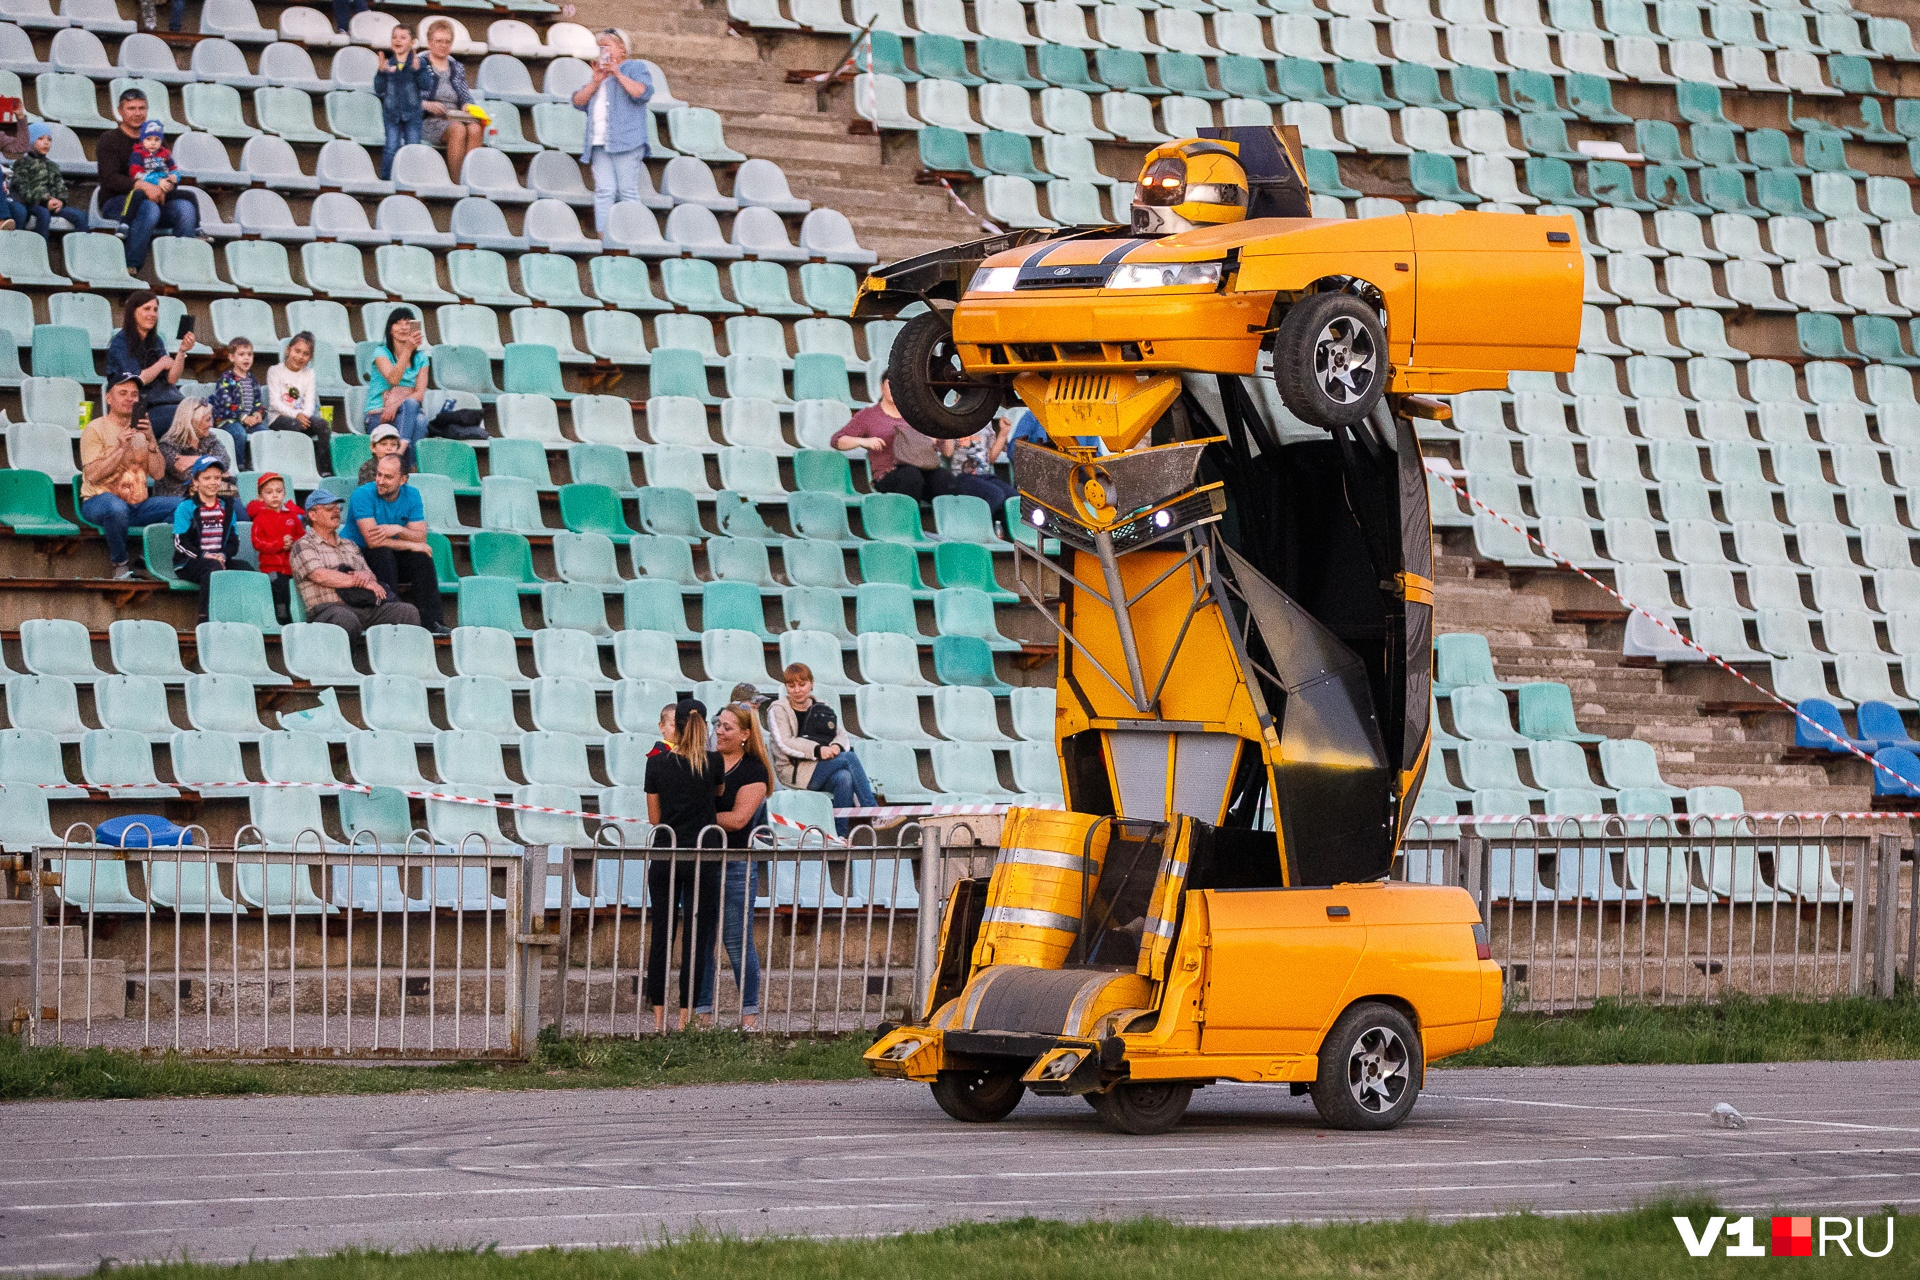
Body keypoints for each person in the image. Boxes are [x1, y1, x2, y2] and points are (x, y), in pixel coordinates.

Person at [643, 699, 724, 1033]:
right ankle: (684, 1018)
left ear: (673, 726)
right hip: (702, 856)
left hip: (667, 854)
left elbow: (654, 817)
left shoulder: (657, 764)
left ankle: (658, 1019)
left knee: (662, 933)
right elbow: (717, 795)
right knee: (696, 937)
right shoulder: (714, 762)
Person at [697, 702, 769, 1029]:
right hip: (703, 860)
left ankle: (750, 1016)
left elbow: (739, 819)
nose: (720, 731)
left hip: (736, 862)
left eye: (727, 727)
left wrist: (696, 818)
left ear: (745, 734)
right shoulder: (705, 763)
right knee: (702, 939)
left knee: (737, 941)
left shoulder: (755, 770)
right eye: (718, 725)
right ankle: (702, 1014)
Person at [288, 485, 421, 638]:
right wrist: (359, 580)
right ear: (313, 515)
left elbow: (370, 577)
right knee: (345, 619)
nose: (336, 511)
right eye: (329, 508)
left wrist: (365, 578)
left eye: (337, 508)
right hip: (328, 610)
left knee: (406, 612)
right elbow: (320, 575)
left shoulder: (349, 544)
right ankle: (344, 662)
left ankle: (397, 662)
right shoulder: (303, 545)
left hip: (362, 605)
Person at [79, 373, 177, 579]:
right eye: (122, 393)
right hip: (98, 501)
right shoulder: (94, 428)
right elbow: (93, 476)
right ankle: (120, 564)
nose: (130, 398)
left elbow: (158, 473)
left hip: (136, 505)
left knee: (184, 506)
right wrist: (120, 449)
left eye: (134, 394)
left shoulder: (142, 431)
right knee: (116, 508)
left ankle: (144, 559)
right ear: (108, 398)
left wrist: (151, 440)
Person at [96, 89, 198, 272]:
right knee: (148, 209)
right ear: (120, 110)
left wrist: (165, 186)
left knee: (186, 208)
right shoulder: (109, 139)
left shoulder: (156, 140)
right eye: (131, 108)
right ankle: (130, 265)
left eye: (142, 108)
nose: (137, 113)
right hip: (119, 201)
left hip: (156, 199)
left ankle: (180, 269)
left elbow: (169, 171)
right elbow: (109, 178)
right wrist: (142, 186)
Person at [768, 662, 874, 837]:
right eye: (791, 685)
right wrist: (818, 750)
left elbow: (841, 735)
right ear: (786, 687)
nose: (797, 690)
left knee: (844, 778)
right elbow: (784, 743)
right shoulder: (778, 709)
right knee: (848, 758)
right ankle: (872, 811)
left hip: (821, 768)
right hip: (794, 771)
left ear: (811, 684)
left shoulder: (821, 706)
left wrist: (834, 746)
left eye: (802, 684)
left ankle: (839, 835)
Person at [346, 454, 447, 634]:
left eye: (388, 477)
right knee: (383, 553)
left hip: (389, 553)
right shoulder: (362, 494)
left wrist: (397, 530)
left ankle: (432, 621)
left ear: (403, 479)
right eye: (379, 474)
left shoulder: (412, 495)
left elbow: (420, 537)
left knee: (421, 557)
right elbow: (373, 541)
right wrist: (410, 544)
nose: (380, 480)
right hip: (359, 555)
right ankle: (392, 613)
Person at [572, 28, 652, 235]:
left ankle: (632, 237)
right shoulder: (599, 73)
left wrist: (617, 73)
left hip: (627, 140)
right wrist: (596, 81)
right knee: (604, 191)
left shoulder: (635, 67)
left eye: (606, 45)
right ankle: (605, 239)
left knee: (627, 191)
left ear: (622, 48)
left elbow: (642, 93)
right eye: (600, 46)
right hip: (599, 142)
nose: (601, 50)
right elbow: (578, 101)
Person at [831, 375, 955, 502]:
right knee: (910, 476)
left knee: (944, 479)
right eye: (891, 385)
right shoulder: (868, 415)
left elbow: (948, 452)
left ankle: (947, 520)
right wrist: (863, 441)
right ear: (881, 388)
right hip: (889, 475)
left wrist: (945, 432)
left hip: (924, 470)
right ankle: (905, 520)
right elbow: (837, 440)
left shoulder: (918, 415)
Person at [107, 291, 193, 436]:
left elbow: (171, 379)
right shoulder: (120, 343)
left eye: (155, 309)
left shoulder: (156, 340)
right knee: (188, 416)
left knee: (200, 411)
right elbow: (137, 380)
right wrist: (161, 364)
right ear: (133, 312)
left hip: (167, 402)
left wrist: (182, 352)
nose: (152, 314)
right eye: (147, 309)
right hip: (141, 409)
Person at [171, 456, 245, 620]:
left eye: (217, 478)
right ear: (195, 482)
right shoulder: (186, 507)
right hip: (189, 562)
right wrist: (204, 555)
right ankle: (205, 618)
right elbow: (180, 542)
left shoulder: (227, 507)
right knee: (212, 567)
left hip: (219, 559)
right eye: (207, 478)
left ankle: (245, 619)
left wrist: (223, 555)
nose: (213, 482)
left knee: (245, 568)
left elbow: (234, 541)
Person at [419, 21, 483, 190]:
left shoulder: (457, 67)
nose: (443, 45)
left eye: (447, 41)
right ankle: (457, 184)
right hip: (429, 119)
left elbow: (465, 95)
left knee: (476, 128)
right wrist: (426, 104)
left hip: (453, 115)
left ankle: (470, 180)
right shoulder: (419, 64)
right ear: (429, 42)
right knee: (458, 129)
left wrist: (467, 105)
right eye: (439, 41)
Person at [365, 308, 432, 466]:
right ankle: (406, 467)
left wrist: (395, 403)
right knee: (418, 417)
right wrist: (408, 350)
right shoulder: (381, 352)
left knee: (419, 417)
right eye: (397, 323)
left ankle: (402, 459)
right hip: (379, 414)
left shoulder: (422, 358)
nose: (403, 327)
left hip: (404, 412)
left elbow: (420, 393)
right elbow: (394, 379)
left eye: (408, 323)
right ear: (390, 329)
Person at [373, 22, 431, 181]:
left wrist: (418, 71)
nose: (397, 40)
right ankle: (386, 181)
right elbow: (378, 89)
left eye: (403, 37)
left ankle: (411, 180)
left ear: (412, 43)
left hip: (412, 114)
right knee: (391, 147)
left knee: (412, 147)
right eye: (394, 37)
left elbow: (427, 85)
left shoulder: (419, 63)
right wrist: (381, 73)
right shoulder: (388, 64)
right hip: (391, 114)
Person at [247, 472, 305, 626]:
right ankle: (282, 616)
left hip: (291, 566)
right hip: (271, 567)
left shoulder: (292, 516)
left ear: (285, 494)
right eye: (269, 492)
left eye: (279, 492)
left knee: (298, 586)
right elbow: (257, 542)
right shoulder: (260, 518)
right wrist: (279, 544)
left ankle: (300, 616)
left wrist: (293, 543)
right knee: (279, 588)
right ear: (260, 497)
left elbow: (302, 537)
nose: (275, 496)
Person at [12, 124, 85, 242]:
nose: (46, 143)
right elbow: (24, 189)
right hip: (32, 204)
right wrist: (46, 201)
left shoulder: (52, 165)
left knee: (81, 216)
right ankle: (40, 251)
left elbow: (60, 186)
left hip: (52, 204)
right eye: (40, 139)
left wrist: (60, 201)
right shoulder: (22, 163)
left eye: (49, 140)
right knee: (43, 214)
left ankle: (81, 253)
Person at [267, 331, 330, 465]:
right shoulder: (275, 371)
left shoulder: (309, 374)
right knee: (296, 425)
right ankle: (296, 463)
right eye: (297, 351)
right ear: (288, 350)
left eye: (306, 354)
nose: (300, 356)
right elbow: (274, 403)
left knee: (323, 425)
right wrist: (297, 415)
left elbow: (310, 402)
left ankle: (324, 467)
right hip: (278, 417)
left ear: (310, 357)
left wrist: (304, 416)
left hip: (303, 418)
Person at [153, 398, 233, 500]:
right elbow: (187, 475)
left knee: (235, 504)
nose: (211, 425)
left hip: (209, 494)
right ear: (192, 421)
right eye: (207, 420)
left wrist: (195, 459)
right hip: (179, 499)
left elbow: (225, 461)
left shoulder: (210, 438)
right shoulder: (167, 444)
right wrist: (218, 471)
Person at [209, 338, 266, 467]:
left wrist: (258, 413)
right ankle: (239, 464)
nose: (246, 358)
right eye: (241, 355)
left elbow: (257, 402)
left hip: (248, 421)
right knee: (239, 433)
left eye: (249, 354)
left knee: (265, 432)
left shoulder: (252, 379)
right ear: (231, 357)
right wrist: (243, 417)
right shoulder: (226, 379)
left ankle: (258, 465)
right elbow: (224, 404)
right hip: (228, 420)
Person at [942, 414, 1018, 510]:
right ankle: (979, 523)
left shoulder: (985, 422)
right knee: (996, 495)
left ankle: (1000, 524)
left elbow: (991, 458)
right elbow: (948, 453)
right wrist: (947, 423)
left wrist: (1003, 433)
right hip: (962, 477)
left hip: (985, 475)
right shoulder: (953, 422)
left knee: (1014, 497)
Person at [128, 120, 178, 190]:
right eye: (149, 139)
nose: (153, 143)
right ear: (142, 140)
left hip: (166, 186)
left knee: (187, 198)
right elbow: (136, 174)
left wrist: (174, 175)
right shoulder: (138, 154)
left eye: (157, 140)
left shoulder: (165, 153)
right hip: (146, 189)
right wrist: (157, 181)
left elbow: (173, 168)